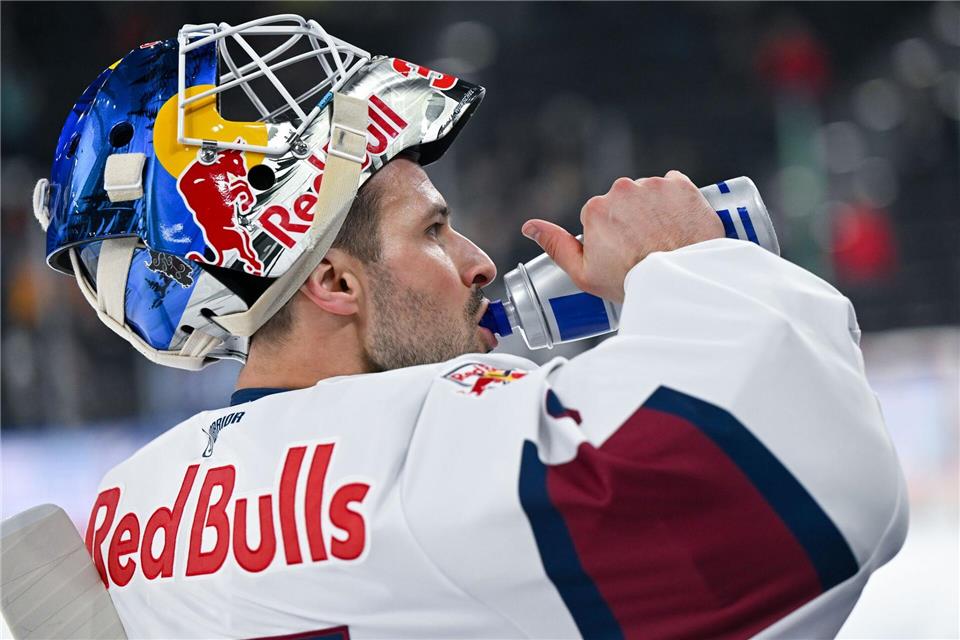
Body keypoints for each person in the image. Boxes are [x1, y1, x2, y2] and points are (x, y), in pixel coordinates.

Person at [36, 15, 907, 640]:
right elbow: (800, 497)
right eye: (433, 230)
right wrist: (682, 263)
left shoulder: (126, 511)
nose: (481, 263)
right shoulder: (430, 436)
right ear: (334, 280)